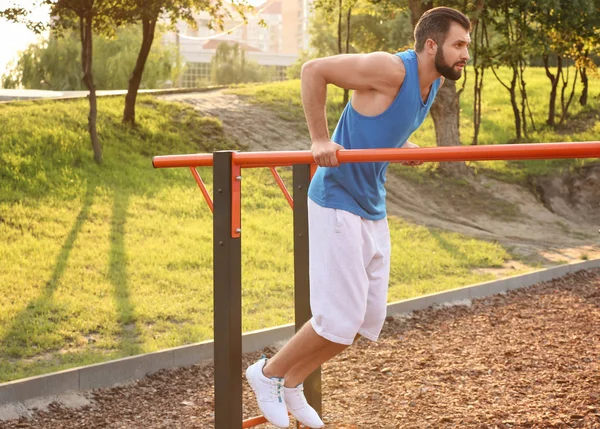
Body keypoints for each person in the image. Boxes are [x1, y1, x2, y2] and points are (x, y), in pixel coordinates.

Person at [246, 6, 471, 428]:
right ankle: (268, 373)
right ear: (430, 45)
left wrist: (401, 147)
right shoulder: (390, 69)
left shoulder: (434, 81)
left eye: (466, 47)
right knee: (338, 319)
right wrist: (318, 139)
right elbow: (314, 70)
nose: (465, 54)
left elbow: (376, 120)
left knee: (365, 319)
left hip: (371, 204)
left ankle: (291, 382)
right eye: (458, 45)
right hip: (336, 199)